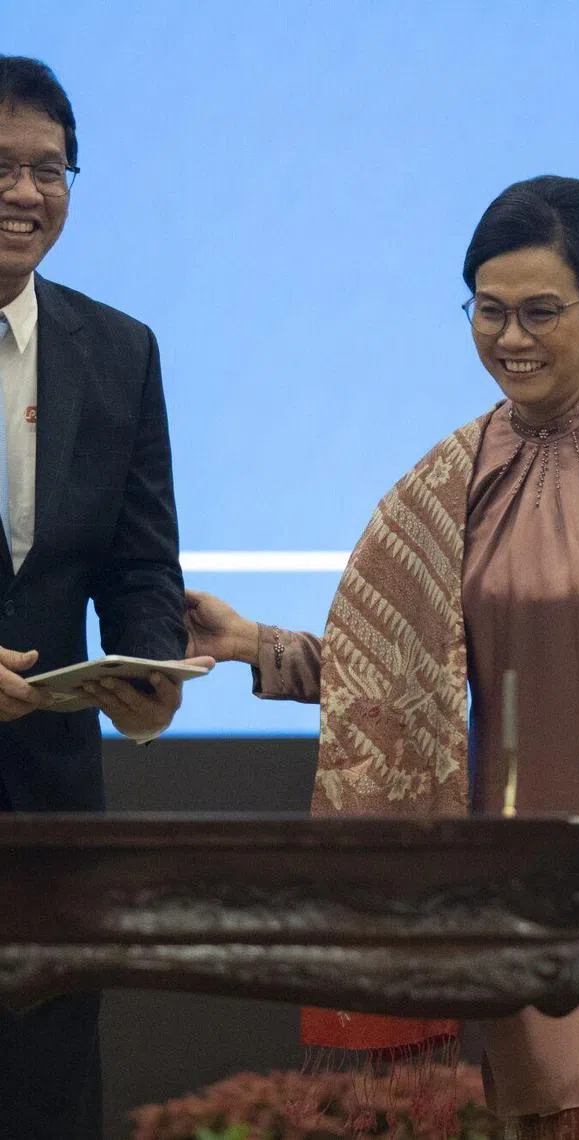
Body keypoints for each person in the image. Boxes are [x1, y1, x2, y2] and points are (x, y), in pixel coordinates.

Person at [186, 174, 579, 1139]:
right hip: (503, 896)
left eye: (541, 312)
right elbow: (398, 680)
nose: (510, 338)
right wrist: (258, 647)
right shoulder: (457, 472)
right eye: (488, 311)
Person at [0, 56, 208, 1139]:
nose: (25, 195)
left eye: (50, 169)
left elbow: (138, 565)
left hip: (48, 809)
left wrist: (145, 668)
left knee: (44, 1090)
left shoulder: (119, 350)